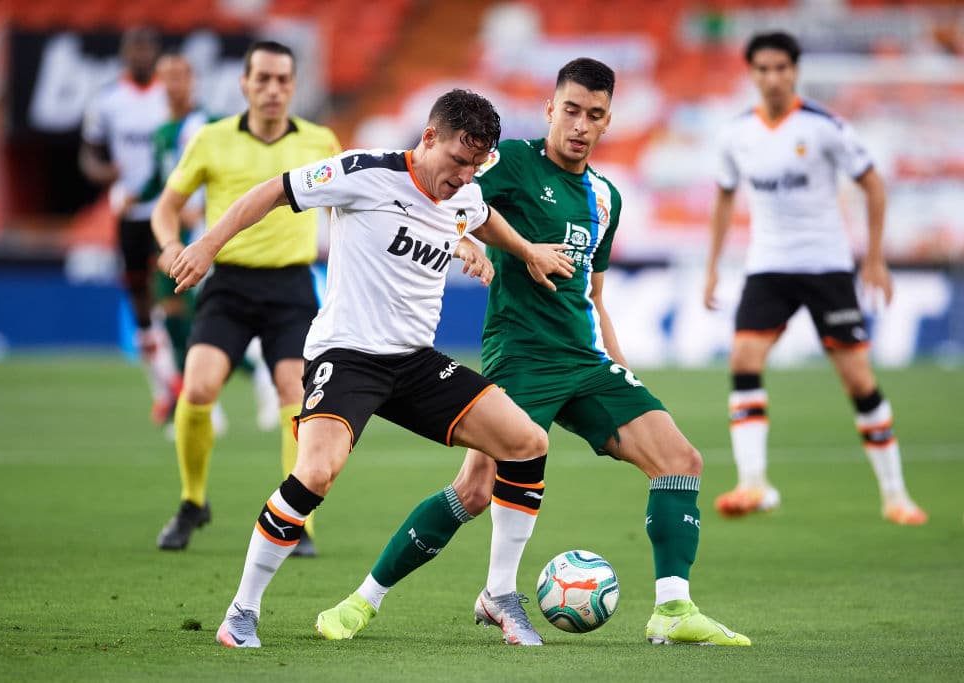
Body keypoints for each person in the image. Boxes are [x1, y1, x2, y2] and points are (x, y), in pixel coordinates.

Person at [314, 58, 751, 647]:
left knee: (680, 461)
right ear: (550, 110)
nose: (580, 125)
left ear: (608, 121)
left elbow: (595, 294)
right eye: (570, 110)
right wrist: (466, 244)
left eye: (594, 115)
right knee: (473, 490)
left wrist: (618, 363)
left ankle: (672, 609)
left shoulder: (606, 197)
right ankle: (363, 600)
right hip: (520, 358)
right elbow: (442, 202)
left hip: (586, 363)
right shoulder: (511, 162)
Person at [167, 88, 576, 649]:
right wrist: (208, 245)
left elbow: (482, 217)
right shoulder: (364, 172)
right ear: (428, 137)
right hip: (347, 357)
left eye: (476, 165)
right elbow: (274, 190)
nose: (464, 176)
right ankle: (242, 611)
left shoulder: (463, 192)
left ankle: (500, 594)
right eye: (459, 160)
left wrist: (525, 251)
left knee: (527, 443)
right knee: (315, 474)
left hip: (415, 362)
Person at [703, 31, 927, 526]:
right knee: (743, 359)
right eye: (763, 69)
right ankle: (753, 483)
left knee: (858, 380)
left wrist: (874, 259)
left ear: (795, 71)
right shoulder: (736, 133)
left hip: (826, 266)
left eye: (781, 68)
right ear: (752, 73)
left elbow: (873, 184)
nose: (773, 78)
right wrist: (712, 266)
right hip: (767, 265)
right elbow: (723, 196)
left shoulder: (824, 127)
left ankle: (896, 494)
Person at [150, 41, 340, 553]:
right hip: (229, 284)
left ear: (294, 86)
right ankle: (193, 502)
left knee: (294, 395)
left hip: (291, 287)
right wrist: (170, 247)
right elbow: (165, 208)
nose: (273, 89)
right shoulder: (211, 139)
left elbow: (346, 208)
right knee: (198, 389)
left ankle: (297, 520)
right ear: (244, 84)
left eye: (283, 80)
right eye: (263, 79)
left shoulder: (320, 140)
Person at [138, 52, 275, 438]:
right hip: (169, 238)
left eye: (180, 75)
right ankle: (198, 402)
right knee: (173, 317)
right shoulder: (162, 133)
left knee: (206, 321)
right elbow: (161, 182)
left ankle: (250, 380)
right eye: (167, 76)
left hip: (203, 235)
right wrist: (133, 196)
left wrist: (201, 208)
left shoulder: (210, 124)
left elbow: (234, 172)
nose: (174, 84)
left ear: (192, 80)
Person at [80, 26, 180, 426]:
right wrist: (105, 173)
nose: (141, 56)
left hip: (168, 211)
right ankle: (164, 388)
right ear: (125, 54)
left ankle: (185, 386)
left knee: (174, 297)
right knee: (139, 302)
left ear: (156, 54)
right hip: (129, 214)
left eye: (147, 49)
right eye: (134, 49)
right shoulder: (108, 101)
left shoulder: (169, 97)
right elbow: (89, 155)